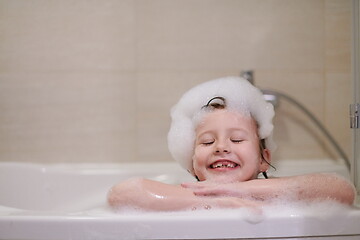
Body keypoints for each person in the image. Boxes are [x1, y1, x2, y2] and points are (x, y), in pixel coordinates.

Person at [108, 77, 355, 212]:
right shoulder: (186, 195)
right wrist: (214, 200)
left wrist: (245, 190)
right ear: (191, 164)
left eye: (236, 139)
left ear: (263, 159)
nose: (221, 147)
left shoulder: (273, 194)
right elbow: (123, 193)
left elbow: (341, 191)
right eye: (207, 141)